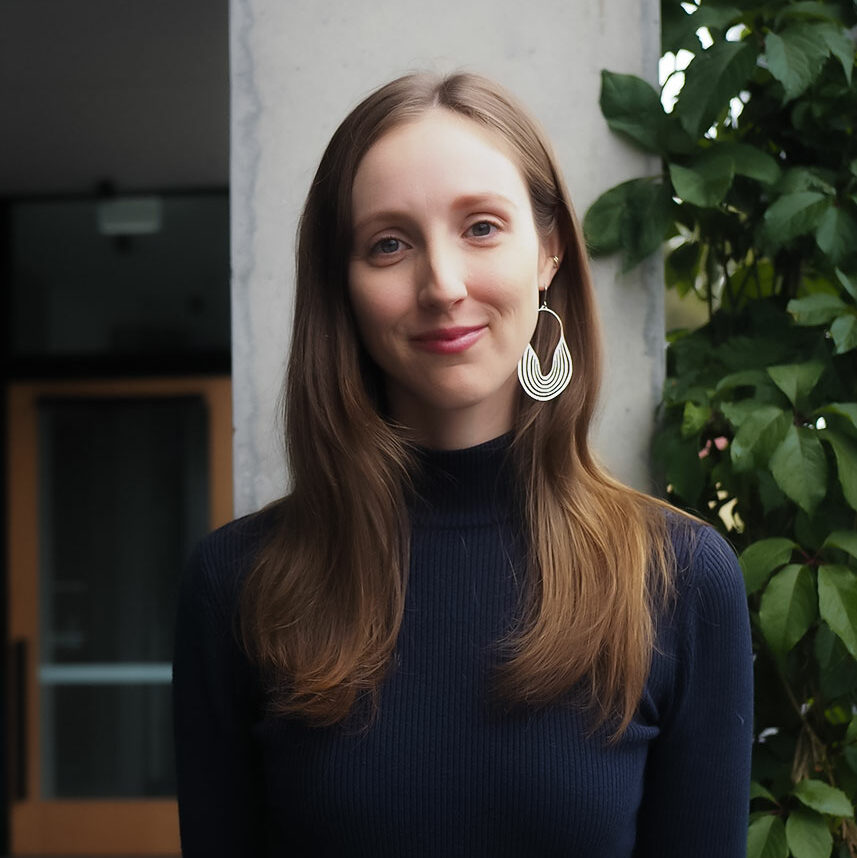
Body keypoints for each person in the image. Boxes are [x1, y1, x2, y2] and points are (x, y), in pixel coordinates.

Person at [173, 72, 753, 857]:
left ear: (548, 250)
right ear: (341, 284)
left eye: (480, 227)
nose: (441, 286)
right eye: (388, 244)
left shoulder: (680, 579)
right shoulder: (238, 584)